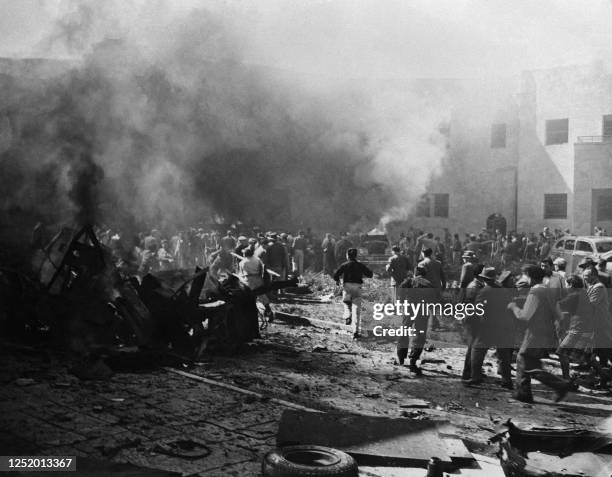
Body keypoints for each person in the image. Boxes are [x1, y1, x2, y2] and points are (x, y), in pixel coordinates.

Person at [508, 265, 571, 403]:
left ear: (530, 276)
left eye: (524, 275)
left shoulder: (535, 292)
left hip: (535, 333)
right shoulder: (547, 290)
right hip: (547, 332)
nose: (522, 278)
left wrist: (514, 307)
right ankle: (523, 393)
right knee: (528, 360)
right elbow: (558, 314)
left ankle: (560, 385)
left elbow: (525, 316)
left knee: (524, 359)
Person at [396, 266, 435, 375]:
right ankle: (413, 359)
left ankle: (401, 357)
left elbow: (401, 291)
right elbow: (433, 299)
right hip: (423, 310)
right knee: (420, 333)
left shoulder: (409, 281)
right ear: (425, 274)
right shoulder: (429, 284)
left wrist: (403, 302)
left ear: (415, 273)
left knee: (404, 330)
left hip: (409, 309)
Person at [333, 248, 373, 339]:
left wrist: (338, 281)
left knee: (346, 302)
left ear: (347, 255)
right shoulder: (360, 265)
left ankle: (347, 315)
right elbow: (370, 274)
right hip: (357, 287)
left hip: (347, 286)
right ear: (356, 255)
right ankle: (355, 332)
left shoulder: (344, 265)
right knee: (356, 310)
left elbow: (336, 275)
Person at [239, 247, 273, 318]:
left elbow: (241, 274)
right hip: (258, 278)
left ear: (245, 254)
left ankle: (251, 312)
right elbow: (262, 269)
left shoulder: (242, 262)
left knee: (249, 296)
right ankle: (268, 310)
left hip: (248, 280)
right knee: (262, 295)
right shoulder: (257, 260)